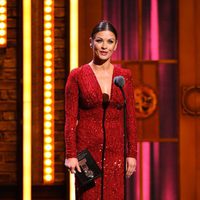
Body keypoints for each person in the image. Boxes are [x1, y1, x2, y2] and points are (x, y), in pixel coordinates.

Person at [64, 20, 137, 200]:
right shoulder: (77, 76)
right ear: (91, 42)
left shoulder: (124, 76)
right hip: (86, 153)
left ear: (116, 45)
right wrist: (70, 154)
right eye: (99, 40)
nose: (104, 46)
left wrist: (132, 154)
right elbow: (70, 119)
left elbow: (131, 119)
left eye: (110, 41)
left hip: (115, 152)